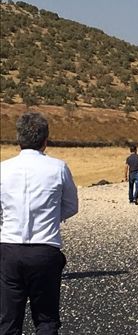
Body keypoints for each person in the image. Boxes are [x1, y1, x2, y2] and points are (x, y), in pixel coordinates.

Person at [0, 112, 79, 334]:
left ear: (18, 139)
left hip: (9, 248)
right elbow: (72, 205)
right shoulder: (58, 167)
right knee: (46, 319)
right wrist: (52, 217)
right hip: (45, 248)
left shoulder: (3, 169)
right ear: (46, 139)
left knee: (8, 320)